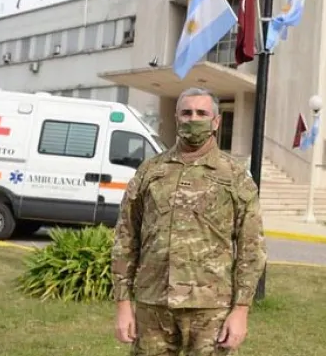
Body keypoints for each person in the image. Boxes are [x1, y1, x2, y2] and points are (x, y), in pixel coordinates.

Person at [112, 87, 267, 355]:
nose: (193, 119)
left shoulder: (235, 176)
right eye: (186, 112)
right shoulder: (150, 171)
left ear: (216, 122)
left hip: (211, 310)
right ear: (176, 117)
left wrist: (240, 310)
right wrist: (123, 304)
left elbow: (251, 248)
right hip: (154, 306)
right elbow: (126, 237)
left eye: (201, 113)